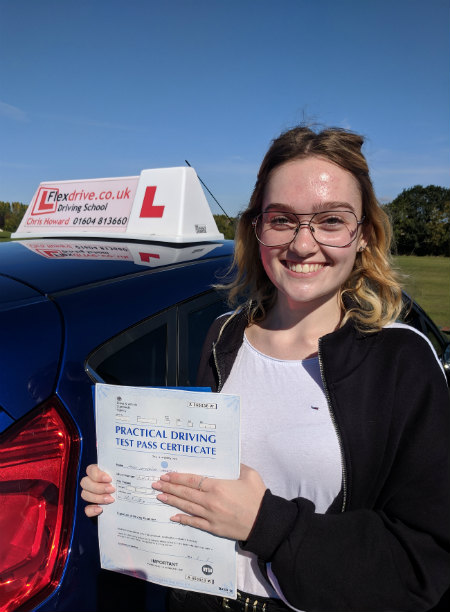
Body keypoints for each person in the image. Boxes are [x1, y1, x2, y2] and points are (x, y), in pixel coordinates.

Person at [81, 125, 450, 612]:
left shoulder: (402, 360)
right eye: (282, 220)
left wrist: (267, 525)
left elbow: (422, 564)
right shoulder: (223, 337)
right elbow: (202, 475)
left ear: (364, 236)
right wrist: (128, 489)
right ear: (256, 229)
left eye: (331, 221)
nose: (302, 244)